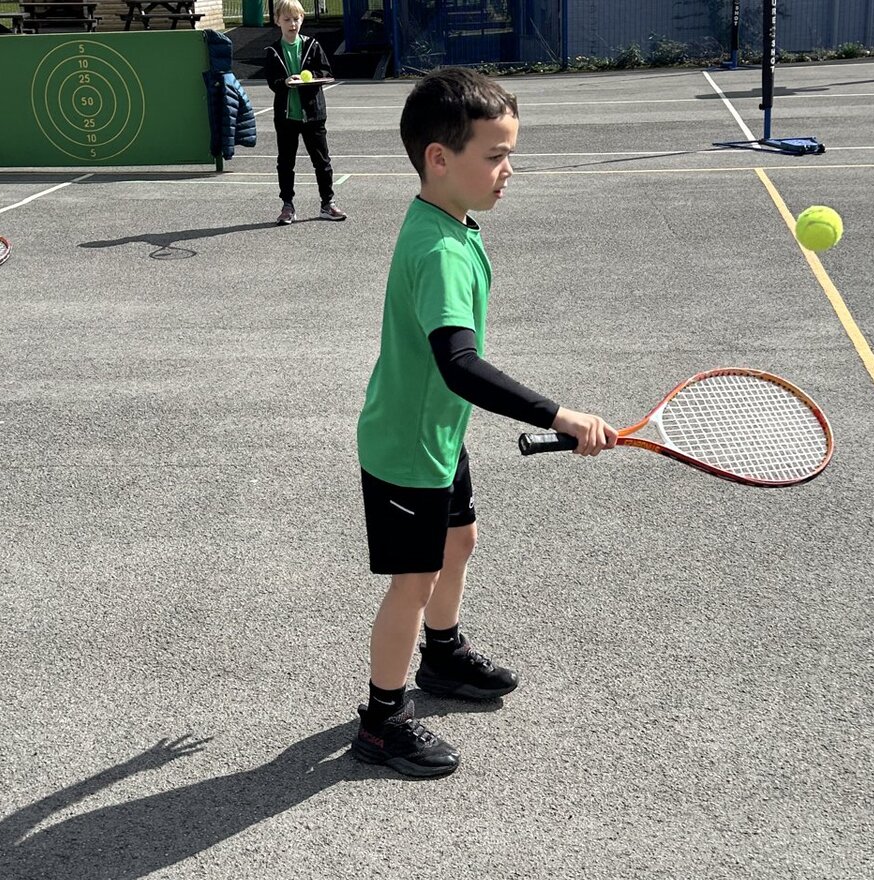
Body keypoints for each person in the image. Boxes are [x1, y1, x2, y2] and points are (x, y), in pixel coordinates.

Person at [351, 68, 617, 777]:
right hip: (409, 444)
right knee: (413, 581)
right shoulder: (440, 250)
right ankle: (381, 722)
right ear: (440, 158)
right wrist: (560, 415)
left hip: (438, 433)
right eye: (495, 155)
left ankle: (442, 656)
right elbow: (459, 365)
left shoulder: (450, 223)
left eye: (510, 154)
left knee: (459, 541)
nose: (509, 170)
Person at [263, 0, 345, 226]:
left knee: (322, 161)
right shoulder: (273, 51)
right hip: (287, 117)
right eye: (287, 19)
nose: (292, 24)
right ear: (277, 21)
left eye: (296, 19)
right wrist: (285, 82)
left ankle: (327, 203)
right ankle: (287, 206)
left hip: (313, 115)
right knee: (285, 163)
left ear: (302, 20)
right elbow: (272, 81)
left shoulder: (313, 45)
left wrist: (309, 78)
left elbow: (326, 72)